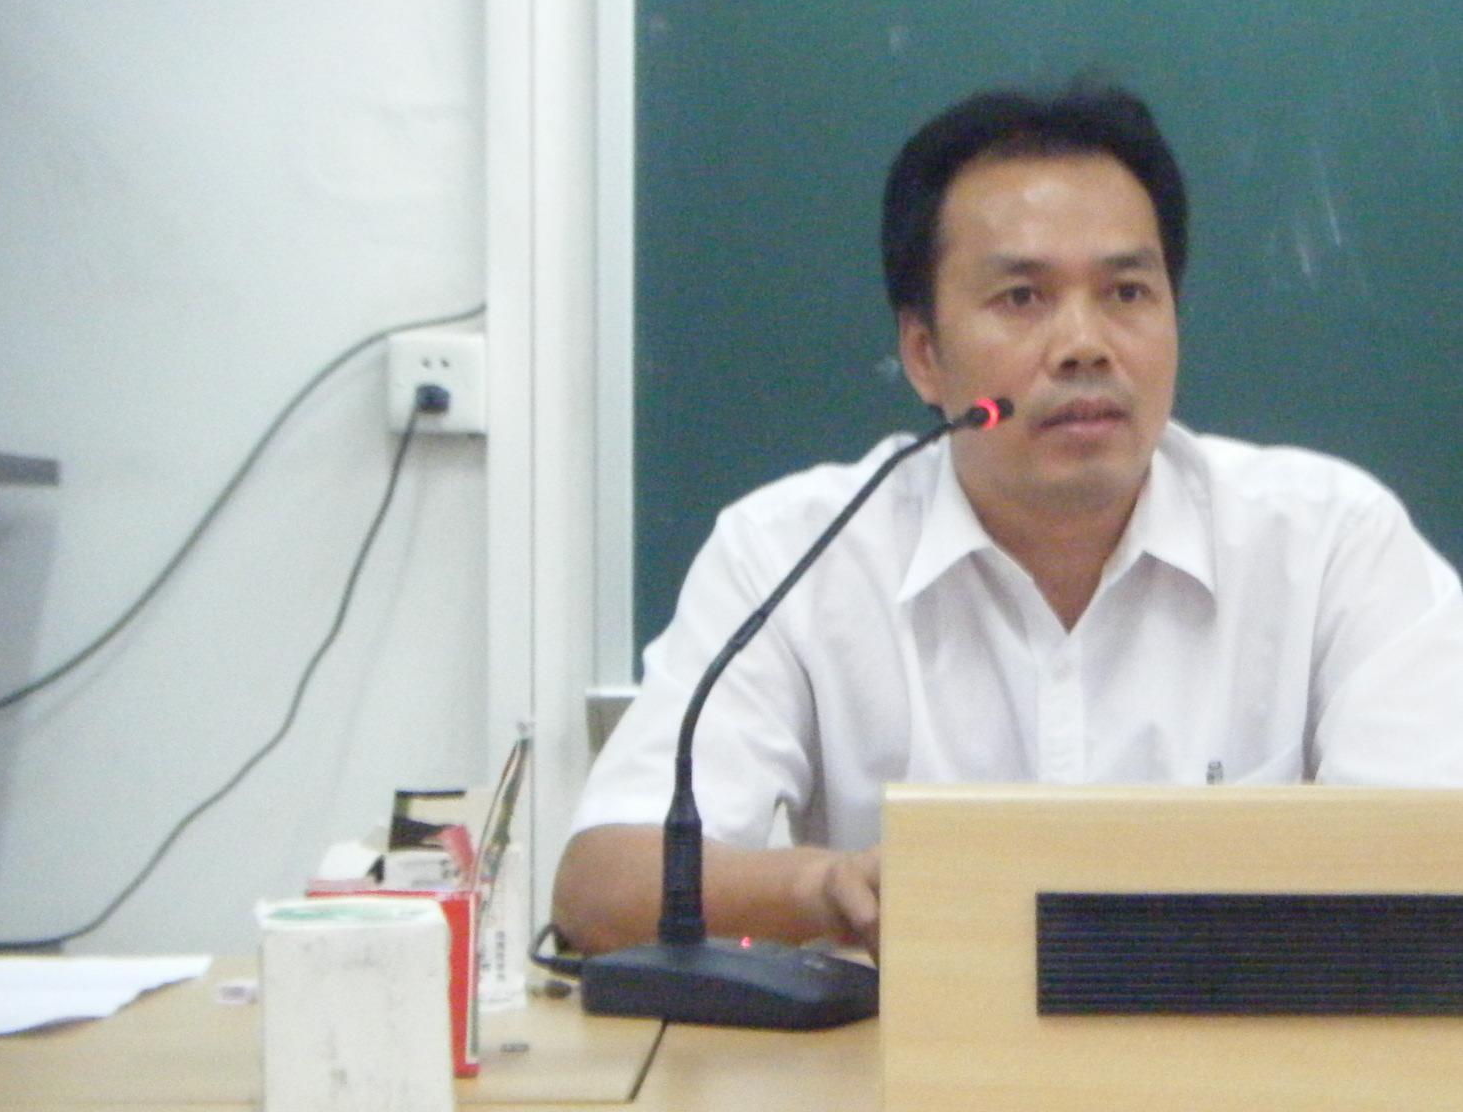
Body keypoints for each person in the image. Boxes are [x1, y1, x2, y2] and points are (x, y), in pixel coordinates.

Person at [552, 82, 1463, 960]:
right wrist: (826, 888)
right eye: (1023, 298)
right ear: (924, 354)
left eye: (1127, 294)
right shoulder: (796, 553)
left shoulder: (1329, 544)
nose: (1084, 346)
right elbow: (603, 886)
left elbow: (1436, 866)